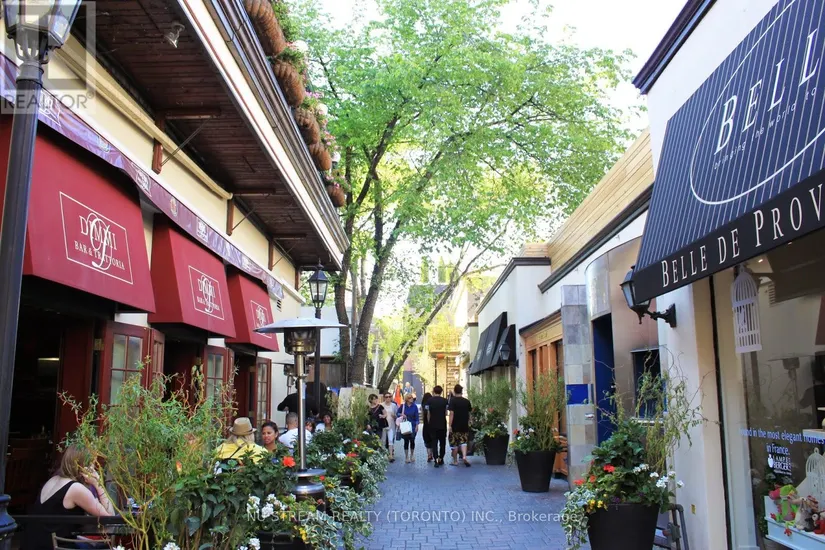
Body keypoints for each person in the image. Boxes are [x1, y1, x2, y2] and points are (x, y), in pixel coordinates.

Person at [22, 445, 115, 550]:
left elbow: (53, 526)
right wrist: (98, 483)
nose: (94, 469)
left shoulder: (53, 480)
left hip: (35, 543)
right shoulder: (76, 489)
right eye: (92, 465)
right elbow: (110, 518)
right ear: (83, 466)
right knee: (105, 547)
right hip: (54, 546)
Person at [448, 384, 472, 467]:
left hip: (455, 425)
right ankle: (464, 456)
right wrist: (469, 422)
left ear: (454, 391)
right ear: (461, 391)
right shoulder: (466, 401)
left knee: (454, 444)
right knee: (463, 442)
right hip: (464, 425)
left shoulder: (452, 401)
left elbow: (451, 413)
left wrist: (450, 425)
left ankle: (455, 461)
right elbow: (469, 414)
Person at [426, 385, 449, 467]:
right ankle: (441, 458)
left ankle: (435, 459)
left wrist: (429, 422)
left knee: (434, 442)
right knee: (442, 442)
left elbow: (428, 413)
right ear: (441, 392)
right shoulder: (445, 401)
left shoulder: (429, 401)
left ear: (434, 391)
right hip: (442, 424)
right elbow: (446, 413)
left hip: (433, 424)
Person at [397, 393, 420, 463]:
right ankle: (406, 457)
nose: (411, 399)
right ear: (406, 399)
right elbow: (397, 413)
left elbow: (417, 417)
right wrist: (402, 415)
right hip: (405, 426)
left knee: (412, 440)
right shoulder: (403, 406)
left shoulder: (414, 406)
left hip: (413, 426)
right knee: (406, 441)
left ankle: (412, 455)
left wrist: (417, 426)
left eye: (412, 398)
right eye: (410, 398)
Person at [379, 392, 397, 463]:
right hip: (383, 426)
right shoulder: (381, 405)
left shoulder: (394, 405)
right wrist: (382, 416)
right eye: (386, 397)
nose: (388, 398)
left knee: (390, 440)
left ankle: (391, 455)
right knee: (383, 441)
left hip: (391, 425)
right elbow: (379, 415)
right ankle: (384, 455)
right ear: (384, 398)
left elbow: (396, 416)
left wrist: (394, 416)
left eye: (389, 396)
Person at [421, 392, 434, 462]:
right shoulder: (432, 404)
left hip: (426, 425)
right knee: (433, 440)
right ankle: (432, 454)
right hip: (433, 424)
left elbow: (423, 415)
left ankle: (429, 455)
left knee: (426, 439)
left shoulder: (423, 405)